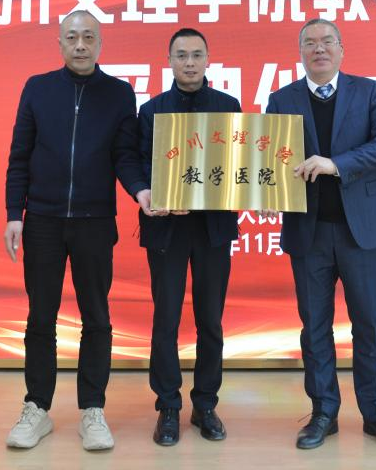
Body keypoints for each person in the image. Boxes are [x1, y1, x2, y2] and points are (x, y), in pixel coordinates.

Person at [3, 10, 152, 452]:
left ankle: (93, 409)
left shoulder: (119, 93)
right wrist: (14, 213)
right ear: (60, 43)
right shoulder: (38, 88)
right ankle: (37, 408)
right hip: (42, 222)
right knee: (40, 317)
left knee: (97, 317)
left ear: (100, 43)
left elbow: (124, 155)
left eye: (88, 37)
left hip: (95, 222)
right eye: (72, 37)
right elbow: (19, 155)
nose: (81, 45)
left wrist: (140, 190)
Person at [264, 18, 376, 452]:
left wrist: (335, 164)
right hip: (308, 233)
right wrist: (266, 191)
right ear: (301, 53)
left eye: (327, 41)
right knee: (315, 327)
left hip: (359, 230)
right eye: (310, 43)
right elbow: (269, 158)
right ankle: (323, 412)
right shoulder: (281, 99)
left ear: (342, 50)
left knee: (369, 326)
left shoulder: (369, 92)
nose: (319, 49)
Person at [138, 28, 241, 447]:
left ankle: (205, 404)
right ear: (169, 61)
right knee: (165, 318)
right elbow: (138, 163)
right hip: (167, 227)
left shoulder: (228, 107)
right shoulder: (152, 111)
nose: (190, 62)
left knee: (210, 319)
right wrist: (151, 194)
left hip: (213, 229)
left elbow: (240, 164)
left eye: (197, 54)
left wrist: (262, 195)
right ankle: (168, 405)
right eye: (181, 55)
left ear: (208, 59)